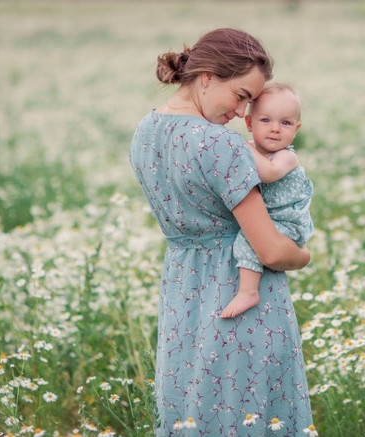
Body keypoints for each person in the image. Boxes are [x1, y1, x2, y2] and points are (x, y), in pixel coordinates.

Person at [129, 28, 315, 436]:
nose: (240, 112)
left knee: (191, 405)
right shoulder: (219, 144)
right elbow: (269, 250)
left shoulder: (145, 130)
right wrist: (303, 255)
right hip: (239, 291)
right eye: (242, 95)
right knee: (245, 410)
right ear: (208, 77)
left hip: (182, 290)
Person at [221, 83, 313, 319]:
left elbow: (269, 173)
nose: (275, 129)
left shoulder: (286, 157)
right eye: (265, 121)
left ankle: (248, 292)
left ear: (296, 128)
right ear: (249, 123)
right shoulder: (252, 150)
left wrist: (241, 144)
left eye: (285, 123)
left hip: (287, 223)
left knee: (247, 240)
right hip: (271, 219)